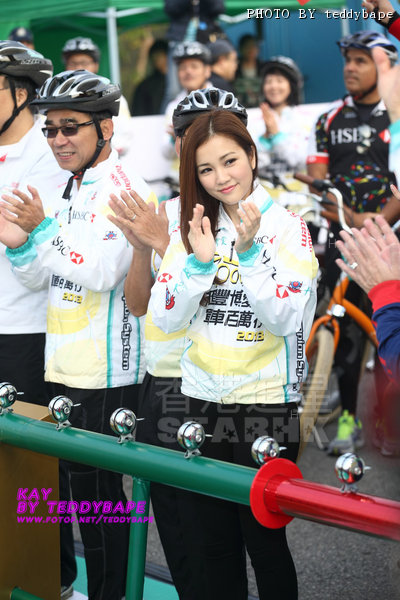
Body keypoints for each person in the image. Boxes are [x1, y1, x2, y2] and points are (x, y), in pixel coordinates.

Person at [148, 109, 318, 600]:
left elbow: (285, 318)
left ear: (252, 156)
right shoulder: (193, 225)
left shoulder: (288, 227)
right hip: (199, 400)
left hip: (267, 406)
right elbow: (165, 317)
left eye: (230, 161)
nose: (221, 178)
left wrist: (248, 255)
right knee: (212, 546)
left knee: (265, 544)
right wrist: (199, 266)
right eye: (206, 169)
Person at [0, 69, 156, 600]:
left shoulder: (124, 187)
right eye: (50, 129)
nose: (58, 140)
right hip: (65, 364)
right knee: (83, 501)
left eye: (71, 127)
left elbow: (101, 272)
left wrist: (42, 231)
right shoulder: (69, 185)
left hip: (107, 372)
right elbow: (42, 276)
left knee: (101, 507)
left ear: (106, 128)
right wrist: (22, 243)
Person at [108, 87, 249, 600]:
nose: (201, 145)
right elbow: (139, 304)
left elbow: (220, 300)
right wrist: (140, 248)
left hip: (214, 386)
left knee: (219, 528)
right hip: (161, 382)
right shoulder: (162, 210)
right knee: (172, 521)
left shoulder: (249, 216)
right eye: (189, 136)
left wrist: (164, 244)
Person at [306, 31, 400, 456]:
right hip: (343, 242)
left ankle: (387, 422)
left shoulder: (396, 116)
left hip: (391, 244)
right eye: (348, 59)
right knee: (344, 334)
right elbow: (319, 178)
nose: (350, 68)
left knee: (389, 331)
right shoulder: (328, 119)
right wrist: (333, 204)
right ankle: (348, 420)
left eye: (361, 60)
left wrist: (373, 222)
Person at [162, 0, 225, 109]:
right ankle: (169, 116)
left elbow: (218, 8)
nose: (188, 71)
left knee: (212, 85)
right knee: (173, 91)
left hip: (204, 40)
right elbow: (170, 8)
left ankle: (215, 113)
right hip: (179, 41)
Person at [253, 56, 307, 177]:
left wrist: (277, 135)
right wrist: (264, 139)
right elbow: (251, 166)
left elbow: (300, 162)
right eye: (269, 81)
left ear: (291, 85)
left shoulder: (305, 119)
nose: (273, 86)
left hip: (298, 187)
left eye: (279, 81)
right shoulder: (253, 120)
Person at [131, 39, 168, 116]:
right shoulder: (145, 86)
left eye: (159, 55)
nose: (155, 59)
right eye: (153, 56)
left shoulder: (179, 83)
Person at [234, 34, 263, 108]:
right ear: (240, 49)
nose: (250, 49)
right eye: (247, 46)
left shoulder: (263, 67)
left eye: (253, 46)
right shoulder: (234, 68)